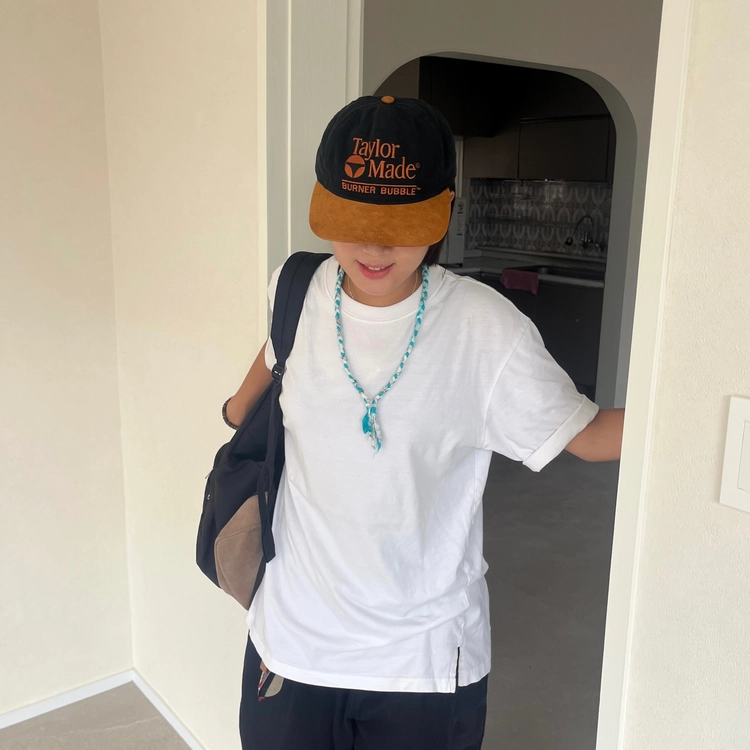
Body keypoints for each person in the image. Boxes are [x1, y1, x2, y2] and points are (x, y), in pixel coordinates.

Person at [224, 95, 624, 750]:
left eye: (401, 223)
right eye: (354, 219)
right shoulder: (295, 289)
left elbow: (590, 436)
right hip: (292, 643)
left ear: (443, 210)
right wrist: (236, 411)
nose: (374, 246)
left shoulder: (483, 327)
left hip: (424, 662)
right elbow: (273, 358)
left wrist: (705, 417)